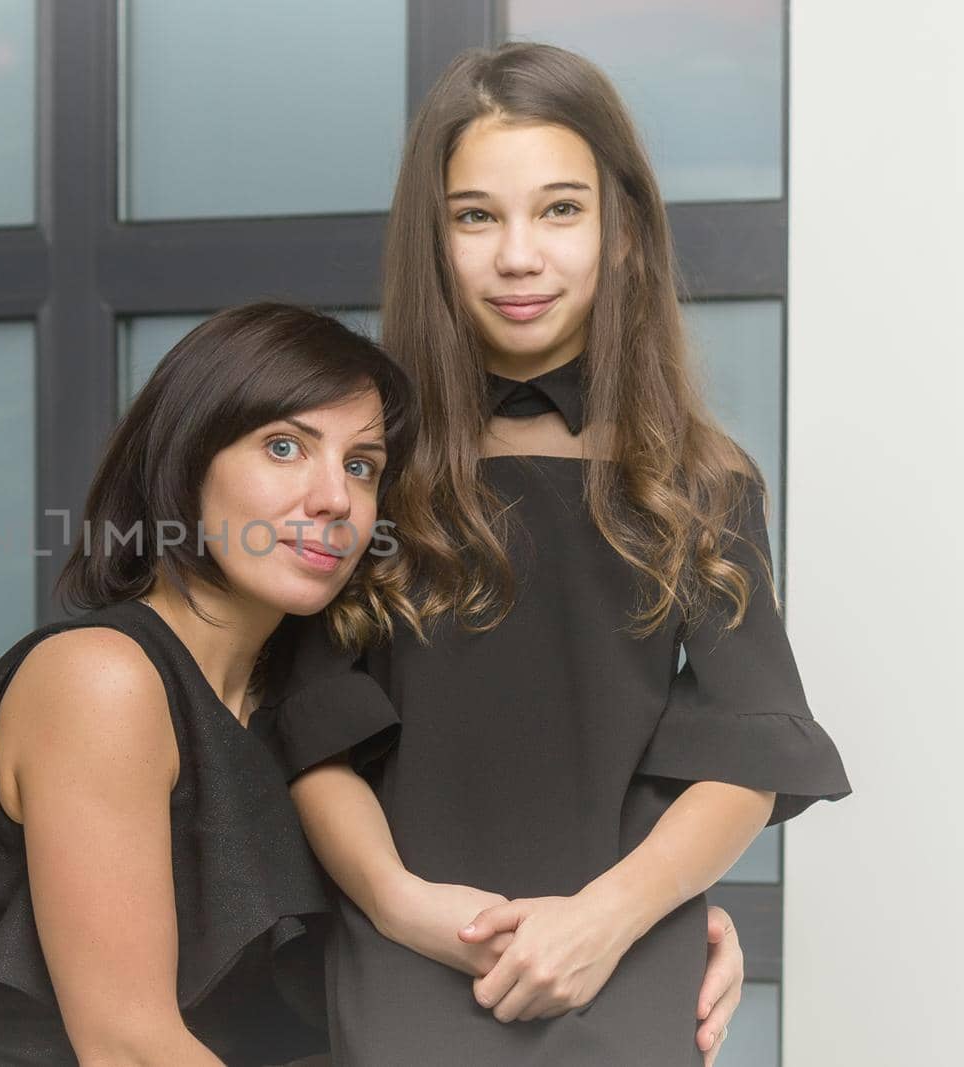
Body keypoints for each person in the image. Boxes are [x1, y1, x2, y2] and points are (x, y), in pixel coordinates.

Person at [262, 43, 851, 1066]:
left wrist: (610, 918)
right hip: (400, 933)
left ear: (622, 232)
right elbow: (308, 730)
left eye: (560, 209)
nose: (518, 254)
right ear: (432, 239)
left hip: (622, 944)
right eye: (476, 214)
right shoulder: (359, 468)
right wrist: (401, 907)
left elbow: (747, 754)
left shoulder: (703, 480)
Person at [0, 303, 418, 1066]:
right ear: (187, 465)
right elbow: (128, 1046)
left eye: (362, 465)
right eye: (284, 446)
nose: (335, 499)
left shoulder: (294, 708)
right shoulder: (102, 677)